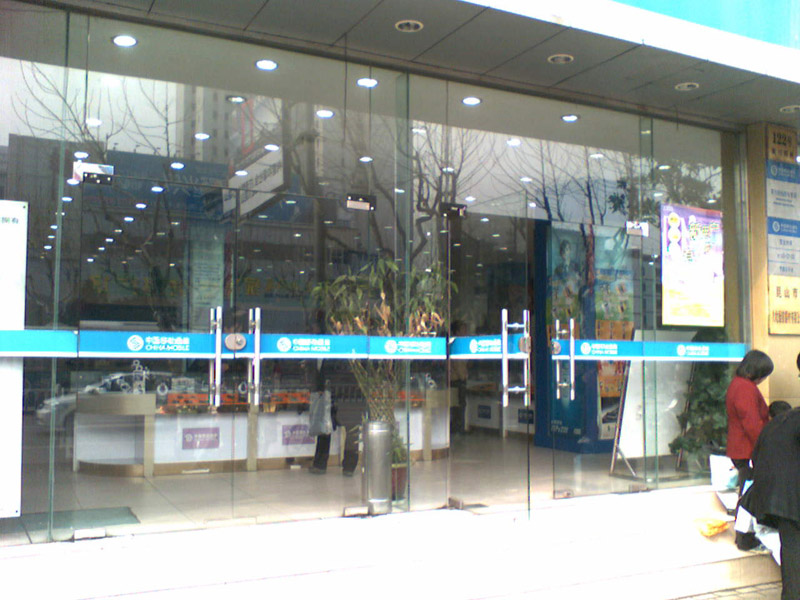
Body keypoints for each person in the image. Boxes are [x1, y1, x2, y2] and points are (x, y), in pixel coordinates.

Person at [741, 362, 800, 599]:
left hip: (778, 499)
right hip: (789, 497)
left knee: (792, 554)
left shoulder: (779, 423)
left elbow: (756, 459)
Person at [725, 349, 773, 550]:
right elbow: (752, 423)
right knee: (748, 495)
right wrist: (766, 446)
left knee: (747, 492)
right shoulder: (745, 388)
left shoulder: (738, 384)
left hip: (742, 448)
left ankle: (744, 535)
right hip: (748, 449)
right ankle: (744, 537)